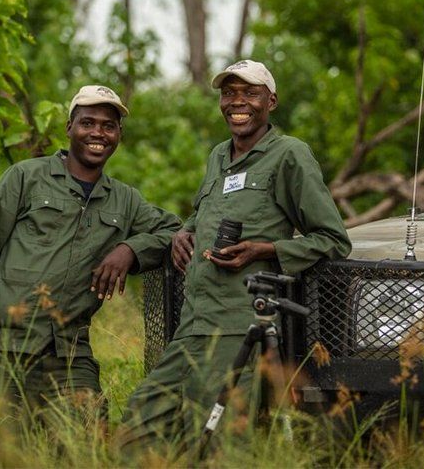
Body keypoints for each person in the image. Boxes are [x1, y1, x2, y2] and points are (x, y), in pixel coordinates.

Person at [119, 60, 351, 452]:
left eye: (250, 93)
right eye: (229, 93)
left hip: (237, 329)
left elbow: (332, 239)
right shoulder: (217, 157)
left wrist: (266, 250)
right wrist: (183, 231)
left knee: (220, 444)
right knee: (138, 426)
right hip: (192, 324)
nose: (237, 102)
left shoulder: (289, 155)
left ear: (271, 101)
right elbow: (206, 213)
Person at [0, 85, 180, 422]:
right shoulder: (24, 177)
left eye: (108, 126)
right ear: (69, 127)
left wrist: (129, 249)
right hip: (4, 347)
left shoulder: (125, 200)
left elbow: (175, 231)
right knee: (3, 449)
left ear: (118, 134)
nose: (98, 134)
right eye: (88, 123)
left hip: (70, 356)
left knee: (89, 439)